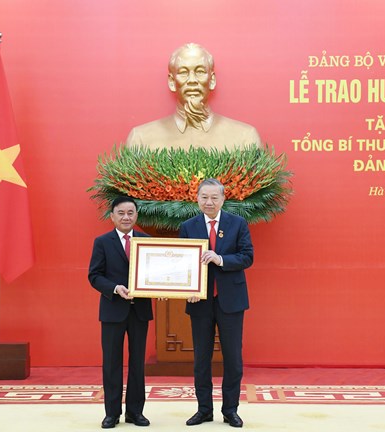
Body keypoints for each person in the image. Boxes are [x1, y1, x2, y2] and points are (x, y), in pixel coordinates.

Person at [179, 178, 254, 428]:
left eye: (214, 197)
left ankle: (230, 410)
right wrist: (187, 288)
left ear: (223, 199)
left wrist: (220, 259)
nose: (209, 202)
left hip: (230, 300)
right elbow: (182, 263)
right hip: (199, 301)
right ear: (197, 199)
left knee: (233, 358)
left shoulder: (238, 223)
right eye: (204, 197)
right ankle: (204, 410)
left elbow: (247, 257)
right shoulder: (188, 226)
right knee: (201, 359)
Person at [88, 196, 153, 429]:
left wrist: (162, 288)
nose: (126, 217)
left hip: (140, 311)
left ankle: (135, 412)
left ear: (136, 215)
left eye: (130, 213)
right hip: (113, 310)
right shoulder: (102, 242)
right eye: (121, 213)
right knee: (112, 363)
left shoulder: (147, 241)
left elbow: (156, 275)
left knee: (137, 363)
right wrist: (115, 288)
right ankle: (112, 413)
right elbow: (94, 276)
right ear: (112, 216)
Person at [126, 43, 261, 150]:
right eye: (183, 72)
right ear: (172, 82)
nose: (192, 80)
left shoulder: (245, 139)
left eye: (200, 71)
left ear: (212, 80)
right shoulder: (141, 140)